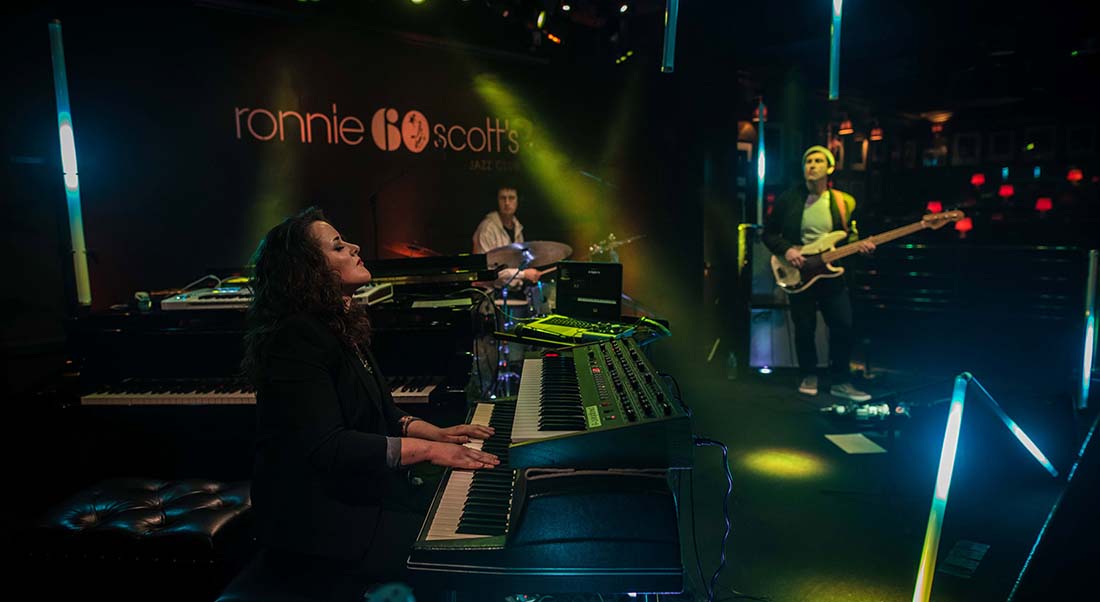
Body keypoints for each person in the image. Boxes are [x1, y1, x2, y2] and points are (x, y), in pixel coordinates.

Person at [242, 206, 499, 598]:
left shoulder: (341, 324)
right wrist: (429, 451)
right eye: (338, 246)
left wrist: (437, 434)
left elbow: (384, 411)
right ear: (308, 270)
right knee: (460, 550)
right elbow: (329, 446)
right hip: (317, 519)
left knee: (465, 508)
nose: (356, 247)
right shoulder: (295, 337)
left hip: (358, 493)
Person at [763, 145, 875, 402]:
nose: (812, 165)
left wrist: (862, 248)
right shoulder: (789, 199)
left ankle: (840, 380)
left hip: (831, 273)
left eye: (818, 161)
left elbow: (849, 237)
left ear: (829, 168)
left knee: (843, 325)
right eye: (808, 161)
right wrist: (788, 250)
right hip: (799, 271)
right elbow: (768, 234)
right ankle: (808, 375)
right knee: (804, 327)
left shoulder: (843, 201)